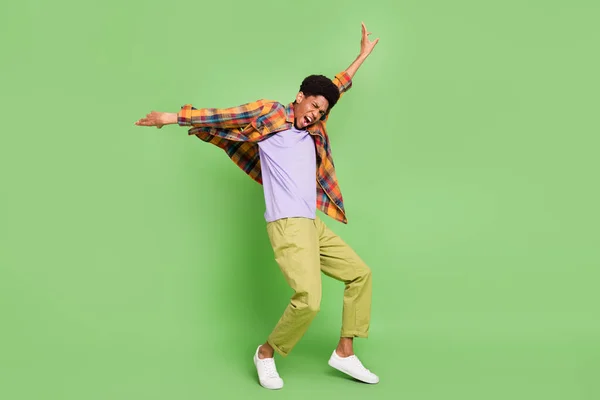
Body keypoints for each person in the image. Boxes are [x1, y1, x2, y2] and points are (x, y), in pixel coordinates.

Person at [135, 22, 380, 390]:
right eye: (313, 104)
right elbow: (223, 116)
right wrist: (171, 117)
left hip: (311, 223)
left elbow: (337, 86)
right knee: (309, 301)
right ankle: (266, 353)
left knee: (360, 274)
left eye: (322, 111)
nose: (316, 114)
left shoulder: (314, 129)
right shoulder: (270, 114)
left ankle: (344, 352)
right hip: (287, 224)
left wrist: (361, 56)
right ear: (299, 97)